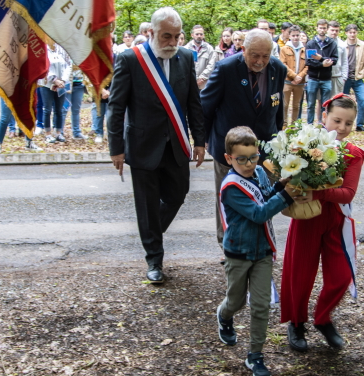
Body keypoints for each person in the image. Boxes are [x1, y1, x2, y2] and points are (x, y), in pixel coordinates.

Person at [108, 7, 206, 283]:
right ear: (150, 33)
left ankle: (150, 233)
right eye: (166, 36)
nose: (173, 43)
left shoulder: (186, 57)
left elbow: (193, 103)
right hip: (142, 145)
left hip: (175, 143)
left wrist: (200, 140)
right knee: (147, 204)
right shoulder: (130, 59)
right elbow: (116, 107)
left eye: (177, 37)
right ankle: (154, 258)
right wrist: (116, 147)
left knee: (178, 194)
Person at [281, 94, 364, 352]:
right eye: (337, 120)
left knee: (341, 276)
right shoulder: (304, 145)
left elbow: (348, 193)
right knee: (300, 275)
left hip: (335, 222)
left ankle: (323, 318)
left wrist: (317, 193)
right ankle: (296, 323)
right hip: (307, 219)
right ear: (324, 115)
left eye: (348, 123)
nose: (341, 128)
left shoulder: (353, 154)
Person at [215, 126, 296, 376]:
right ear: (229, 158)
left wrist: (280, 186)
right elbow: (258, 213)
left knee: (261, 305)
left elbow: (263, 197)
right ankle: (224, 316)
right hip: (238, 253)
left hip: (261, 252)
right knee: (236, 301)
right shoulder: (230, 187)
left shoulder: (259, 171)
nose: (249, 164)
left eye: (253, 157)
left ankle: (255, 356)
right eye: (242, 159)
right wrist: (286, 196)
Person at [201, 28, 287, 250]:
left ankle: (260, 243)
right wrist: (201, 142)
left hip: (264, 149)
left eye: (265, 56)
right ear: (243, 49)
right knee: (229, 197)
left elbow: (278, 109)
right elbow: (206, 107)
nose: (260, 61)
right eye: (255, 55)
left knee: (263, 196)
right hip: (229, 149)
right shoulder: (226, 69)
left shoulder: (278, 68)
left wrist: (279, 142)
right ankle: (227, 244)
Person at [305, 19, 338, 125]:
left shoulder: (332, 43)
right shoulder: (310, 43)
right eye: (320, 27)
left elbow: (334, 60)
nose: (322, 30)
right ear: (317, 28)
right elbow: (308, 61)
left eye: (324, 28)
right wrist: (321, 64)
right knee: (310, 104)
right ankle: (309, 124)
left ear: (327, 29)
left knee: (325, 104)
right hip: (313, 78)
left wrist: (321, 58)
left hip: (326, 78)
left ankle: (323, 124)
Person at [39, 43, 71, 143]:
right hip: (47, 84)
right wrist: (54, 79)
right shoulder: (43, 50)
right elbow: (43, 66)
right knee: (47, 110)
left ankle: (58, 132)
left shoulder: (62, 49)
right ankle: (48, 134)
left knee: (59, 110)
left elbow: (68, 65)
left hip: (62, 84)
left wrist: (63, 81)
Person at [342, 24, 364, 132]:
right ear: (346, 33)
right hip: (345, 79)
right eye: (350, 32)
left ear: (356, 33)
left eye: (354, 32)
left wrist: (362, 74)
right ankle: (344, 123)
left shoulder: (363, 46)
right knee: (344, 102)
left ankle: (360, 125)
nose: (352, 34)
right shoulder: (342, 45)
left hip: (358, 78)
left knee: (362, 101)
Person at [280, 25, 307, 128]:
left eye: (297, 35)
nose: (295, 37)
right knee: (285, 105)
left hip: (300, 82)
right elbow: (283, 64)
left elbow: (307, 65)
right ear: (289, 36)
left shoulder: (304, 49)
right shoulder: (284, 49)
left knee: (296, 105)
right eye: (293, 35)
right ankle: (284, 124)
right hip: (288, 81)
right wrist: (294, 76)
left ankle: (294, 125)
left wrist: (300, 76)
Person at [185, 25, 214, 89]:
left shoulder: (209, 49)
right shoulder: (186, 48)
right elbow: (185, 66)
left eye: (201, 34)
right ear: (192, 35)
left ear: (203, 35)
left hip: (204, 84)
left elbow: (211, 65)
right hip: (190, 83)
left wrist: (202, 77)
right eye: (197, 34)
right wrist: (194, 79)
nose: (199, 36)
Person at [327, 21, 348, 98]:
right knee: (323, 101)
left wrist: (344, 77)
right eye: (332, 30)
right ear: (328, 30)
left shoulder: (342, 44)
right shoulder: (322, 42)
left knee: (336, 100)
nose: (334, 32)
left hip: (337, 76)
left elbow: (345, 61)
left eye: (336, 31)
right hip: (324, 77)